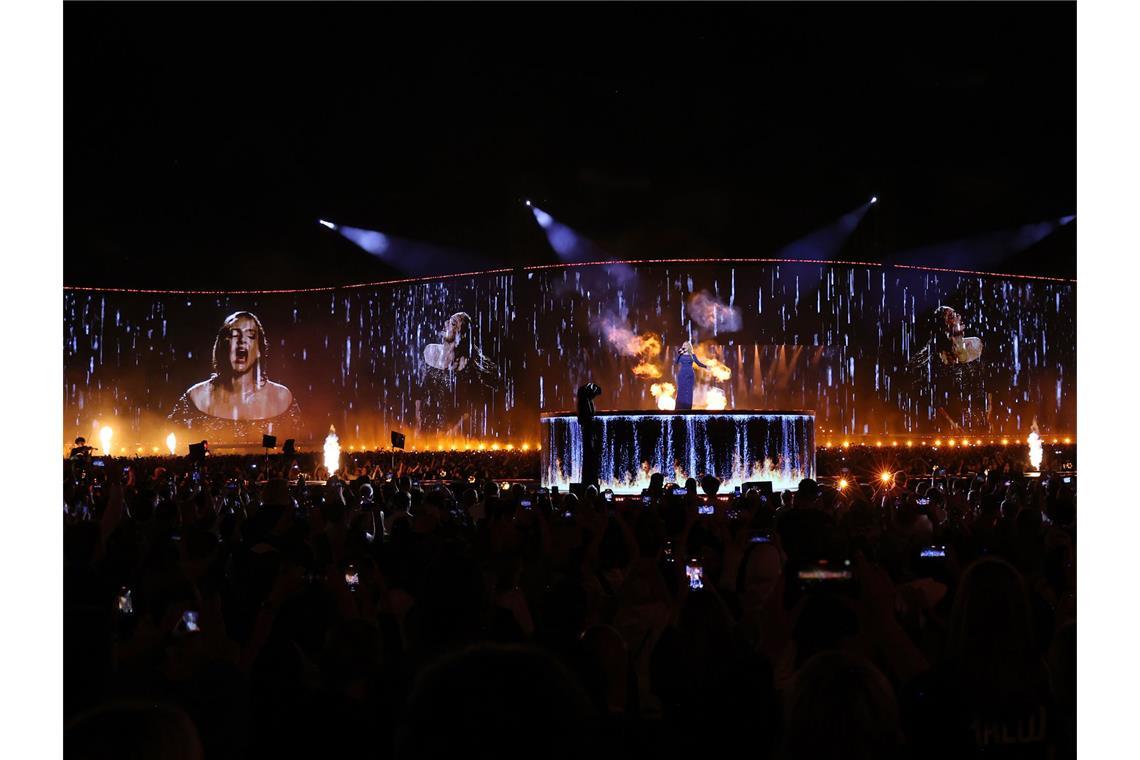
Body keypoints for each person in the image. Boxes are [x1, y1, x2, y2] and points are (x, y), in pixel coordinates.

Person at [168, 311, 301, 441]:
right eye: (234, 335)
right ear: (223, 345)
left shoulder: (281, 397)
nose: (242, 341)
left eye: (250, 335)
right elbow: (171, 442)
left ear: (259, 350)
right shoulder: (197, 397)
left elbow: (300, 447)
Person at [421, 311, 499, 434]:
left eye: (452, 323)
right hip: (425, 434)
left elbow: (471, 407)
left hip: (450, 439)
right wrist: (418, 425)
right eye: (448, 320)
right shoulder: (430, 352)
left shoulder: (468, 368)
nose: (446, 323)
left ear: (461, 335)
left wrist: (455, 429)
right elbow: (418, 394)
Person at [673, 341, 709, 411]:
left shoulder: (692, 355)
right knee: (681, 390)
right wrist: (679, 353)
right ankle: (679, 407)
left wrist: (706, 366)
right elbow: (676, 362)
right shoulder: (681, 355)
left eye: (686, 345)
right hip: (682, 374)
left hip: (689, 374)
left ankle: (687, 407)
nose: (684, 346)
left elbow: (698, 363)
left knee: (688, 390)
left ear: (689, 346)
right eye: (683, 345)